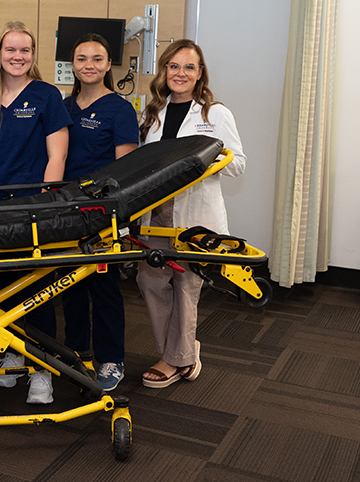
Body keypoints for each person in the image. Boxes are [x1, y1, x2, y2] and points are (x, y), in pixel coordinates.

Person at [0, 21, 71, 404]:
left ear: (33, 55)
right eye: (10, 50)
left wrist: (45, 202)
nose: (17, 56)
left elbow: (57, 155)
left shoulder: (47, 96)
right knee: (4, 286)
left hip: (33, 205)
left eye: (25, 50)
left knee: (37, 290)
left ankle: (42, 369)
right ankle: (14, 351)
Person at [137, 39, 245, 388]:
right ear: (165, 70)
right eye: (174, 66)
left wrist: (203, 166)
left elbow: (238, 164)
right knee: (150, 281)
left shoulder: (215, 113)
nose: (180, 73)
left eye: (189, 67)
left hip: (193, 213)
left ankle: (174, 358)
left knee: (185, 284)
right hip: (155, 213)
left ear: (200, 74)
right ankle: (182, 350)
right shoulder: (153, 113)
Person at [60, 34, 139, 392]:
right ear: (72, 64)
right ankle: (76, 352)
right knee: (69, 285)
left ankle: (111, 358)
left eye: (97, 59)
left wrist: (116, 214)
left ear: (109, 65)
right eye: (81, 58)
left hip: (102, 213)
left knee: (103, 288)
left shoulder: (120, 110)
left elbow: (125, 172)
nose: (88, 65)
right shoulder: (64, 105)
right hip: (65, 209)